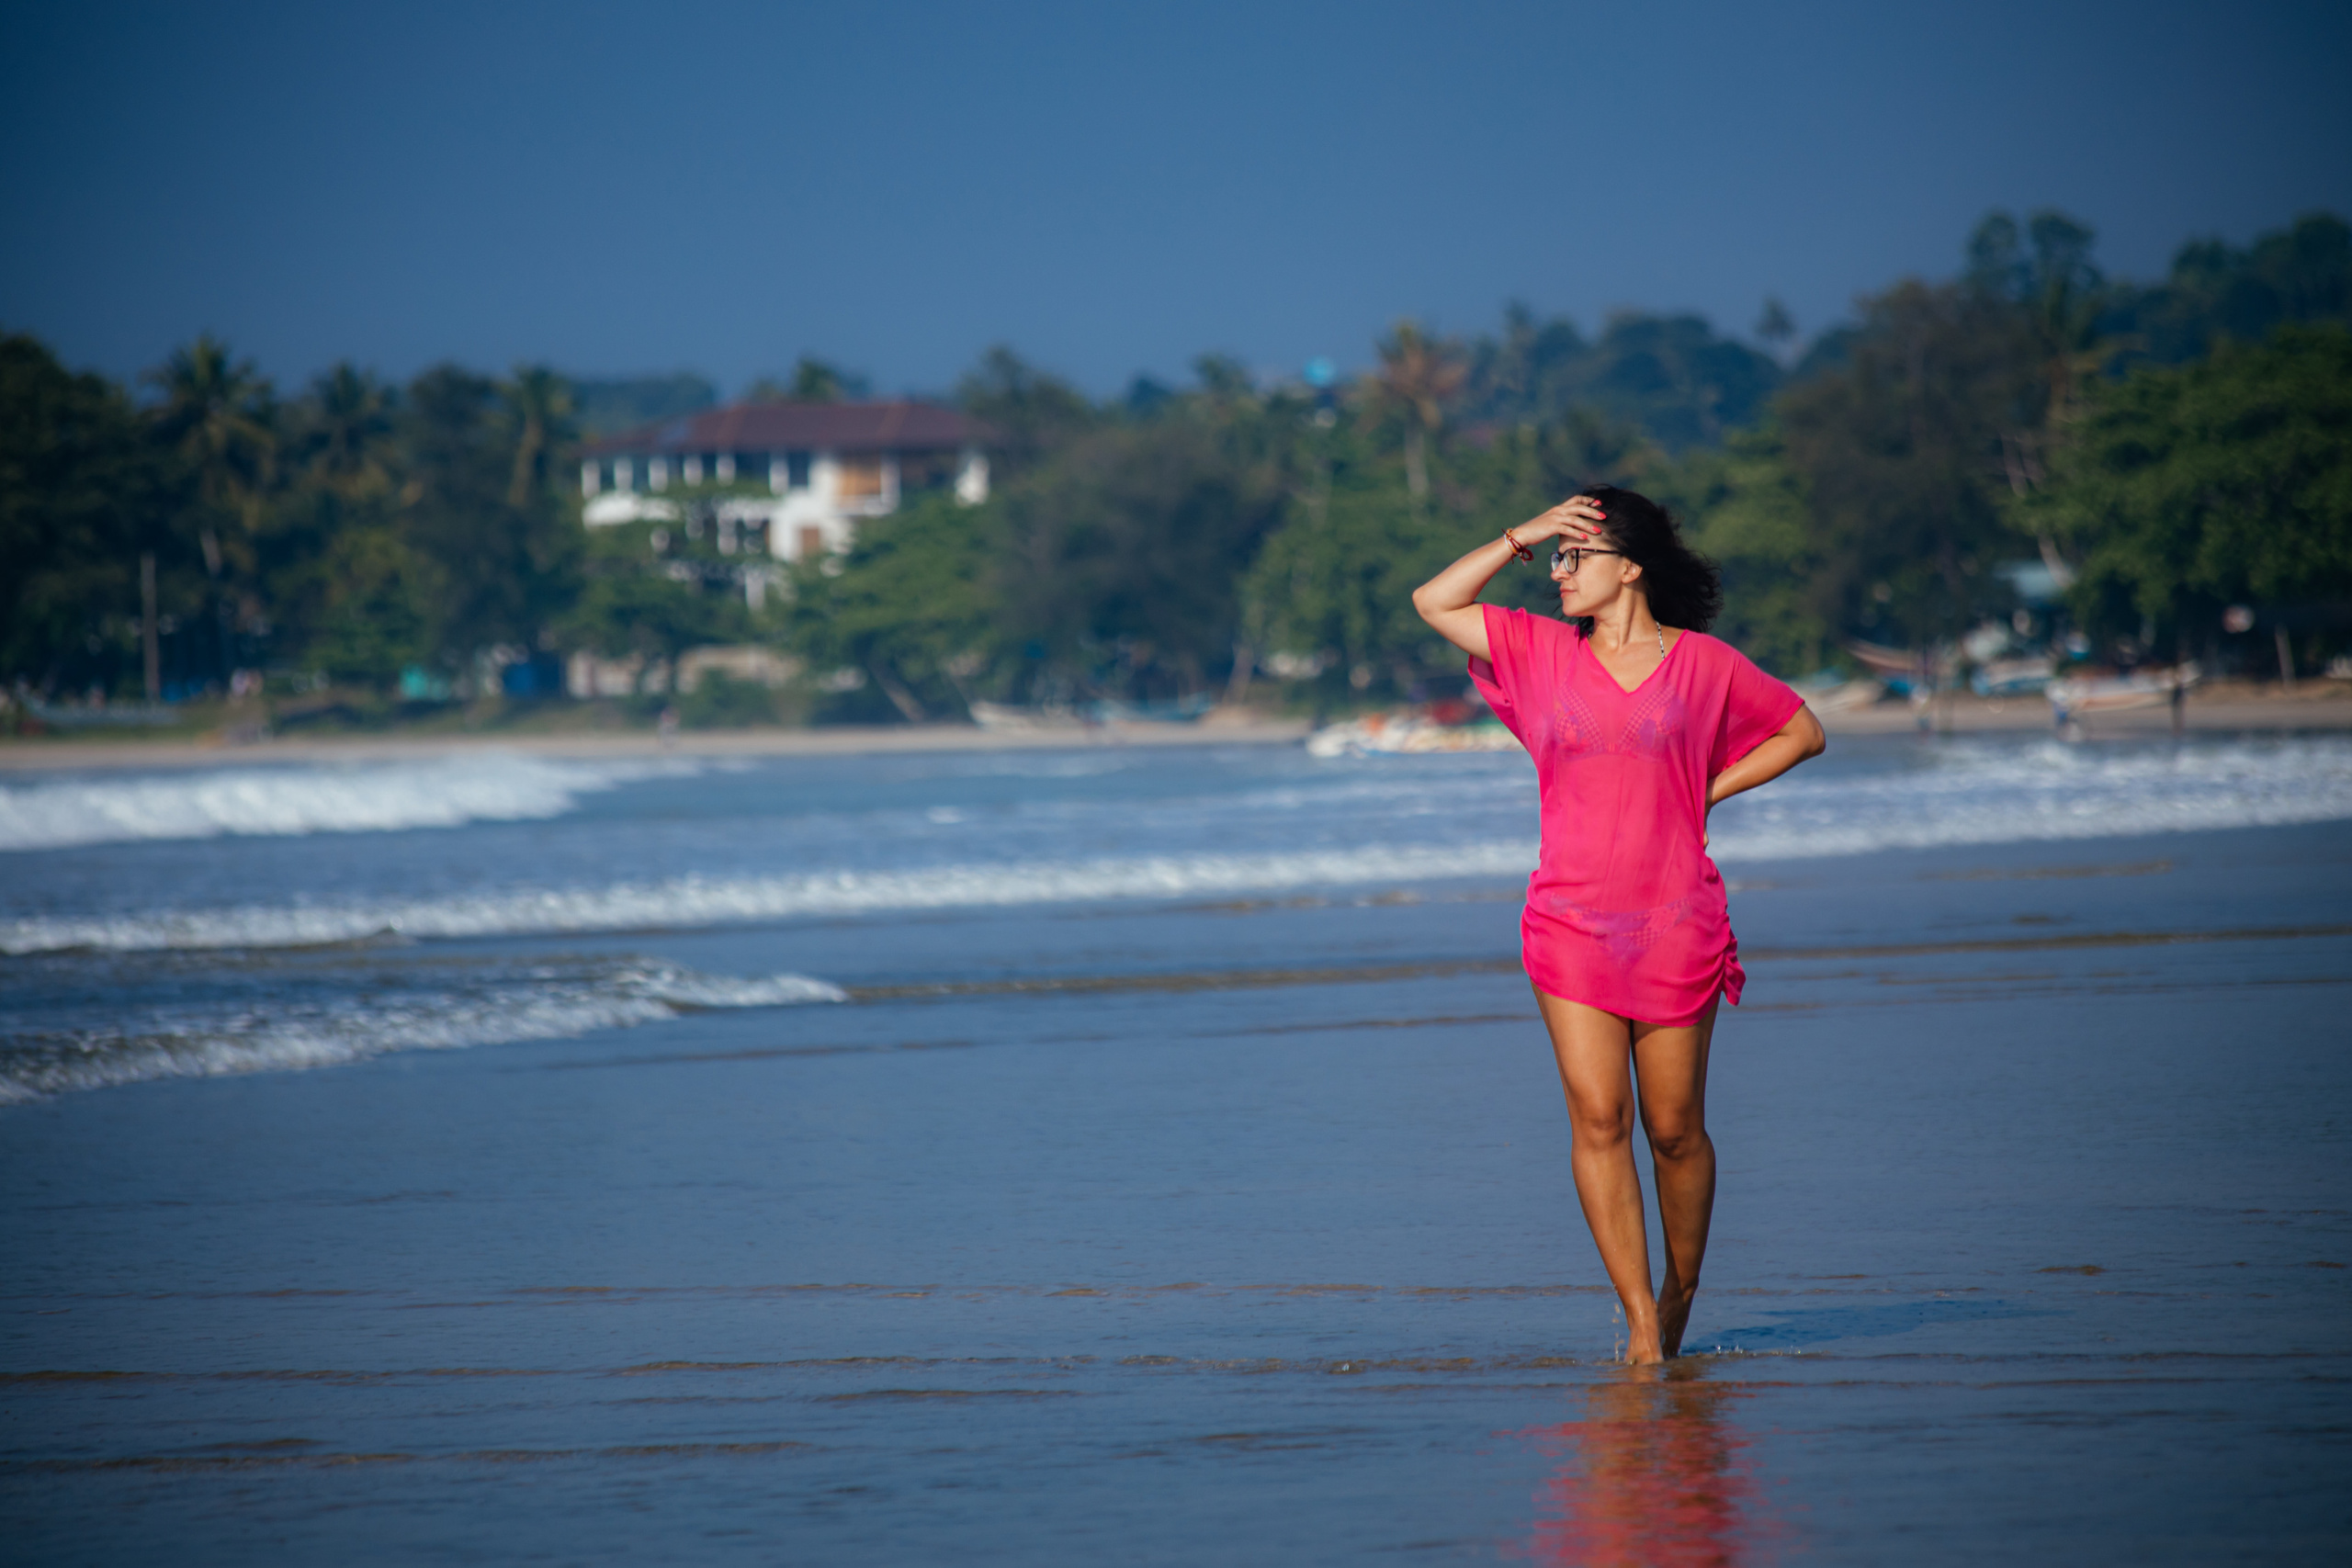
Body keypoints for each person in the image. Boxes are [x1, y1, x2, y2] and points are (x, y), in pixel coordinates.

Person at [1412, 485, 1826, 1363]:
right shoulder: (1537, 649)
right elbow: (1435, 600)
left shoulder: (1705, 663)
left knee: (1674, 1129)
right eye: (1559, 557)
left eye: (1577, 556)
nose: (1559, 572)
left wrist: (1705, 790)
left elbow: (1801, 731)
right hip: (1568, 920)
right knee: (1600, 1118)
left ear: (1630, 566)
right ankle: (1641, 1322)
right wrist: (1526, 533)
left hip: (1675, 917)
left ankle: (1679, 1295)